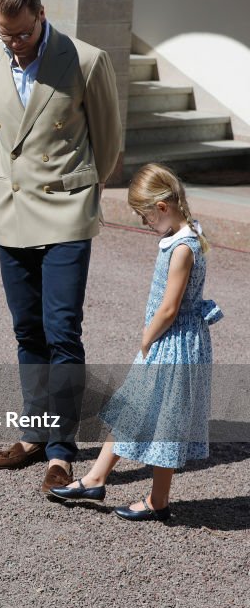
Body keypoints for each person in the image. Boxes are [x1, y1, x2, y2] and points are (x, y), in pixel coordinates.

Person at [0, 0, 123, 494]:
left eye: (21, 34)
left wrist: (74, 189)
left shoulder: (84, 60)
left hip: (66, 212)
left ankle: (61, 450)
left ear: (41, 14)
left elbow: (108, 143)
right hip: (11, 212)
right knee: (26, 332)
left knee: (62, 332)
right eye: (3, 34)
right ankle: (33, 434)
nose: (13, 44)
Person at [49, 164, 222, 521]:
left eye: (144, 216)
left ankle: (157, 501)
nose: (144, 223)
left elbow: (170, 307)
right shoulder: (188, 233)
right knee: (132, 407)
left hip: (171, 344)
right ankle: (97, 477)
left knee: (165, 422)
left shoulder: (183, 248)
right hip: (172, 342)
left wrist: (146, 338)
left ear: (162, 207)